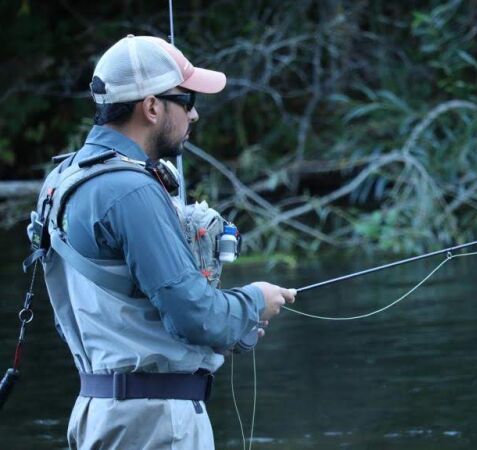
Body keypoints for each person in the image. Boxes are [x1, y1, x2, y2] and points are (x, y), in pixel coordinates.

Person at [30, 35, 296, 449]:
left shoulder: (63, 179)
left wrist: (233, 323)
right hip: (154, 423)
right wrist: (253, 302)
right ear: (151, 106)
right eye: (186, 99)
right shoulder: (130, 191)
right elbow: (194, 315)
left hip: (99, 411)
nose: (194, 113)